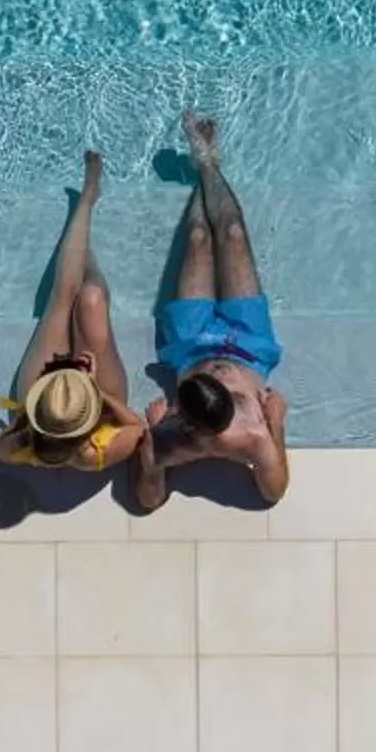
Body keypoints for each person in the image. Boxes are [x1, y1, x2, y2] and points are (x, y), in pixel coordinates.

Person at [135, 112, 290, 507]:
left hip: (191, 342)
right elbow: (275, 490)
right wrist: (276, 422)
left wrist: (150, 444)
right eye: (228, 390)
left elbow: (148, 500)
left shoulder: (171, 438)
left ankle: (205, 164)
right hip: (249, 344)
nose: (220, 374)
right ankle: (207, 165)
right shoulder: (255, 435)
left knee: (200, 237)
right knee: (234, 232)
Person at [0, 150, 147, 476]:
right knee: (91, 298)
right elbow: (135, 425)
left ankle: (88, 200)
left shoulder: (25, 446)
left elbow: (1, 450)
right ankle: (86, 249)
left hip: (49, 394)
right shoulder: (93, 454)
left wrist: (37, 416)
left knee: (63, 297)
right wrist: (95, 394)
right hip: (96, 398)